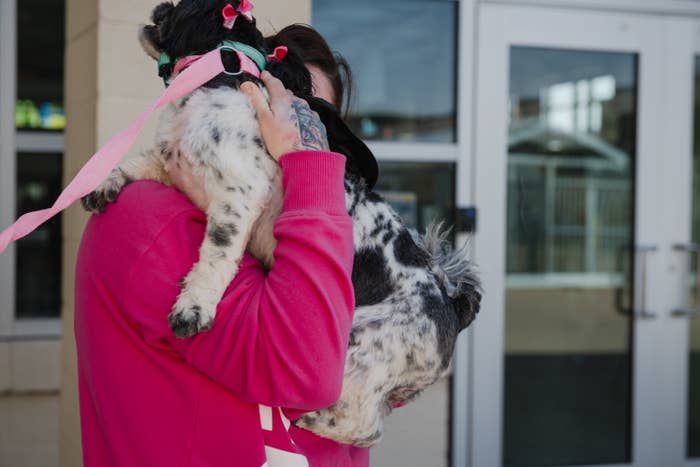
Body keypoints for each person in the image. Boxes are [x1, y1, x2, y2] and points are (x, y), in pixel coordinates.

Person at [74, 25, 369, 467]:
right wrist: (306, 167)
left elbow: (380, 375)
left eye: (318, 127)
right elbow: (306, 369)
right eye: (277, 110)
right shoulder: (149, 221)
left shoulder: (312, 222)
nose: (294, 136)